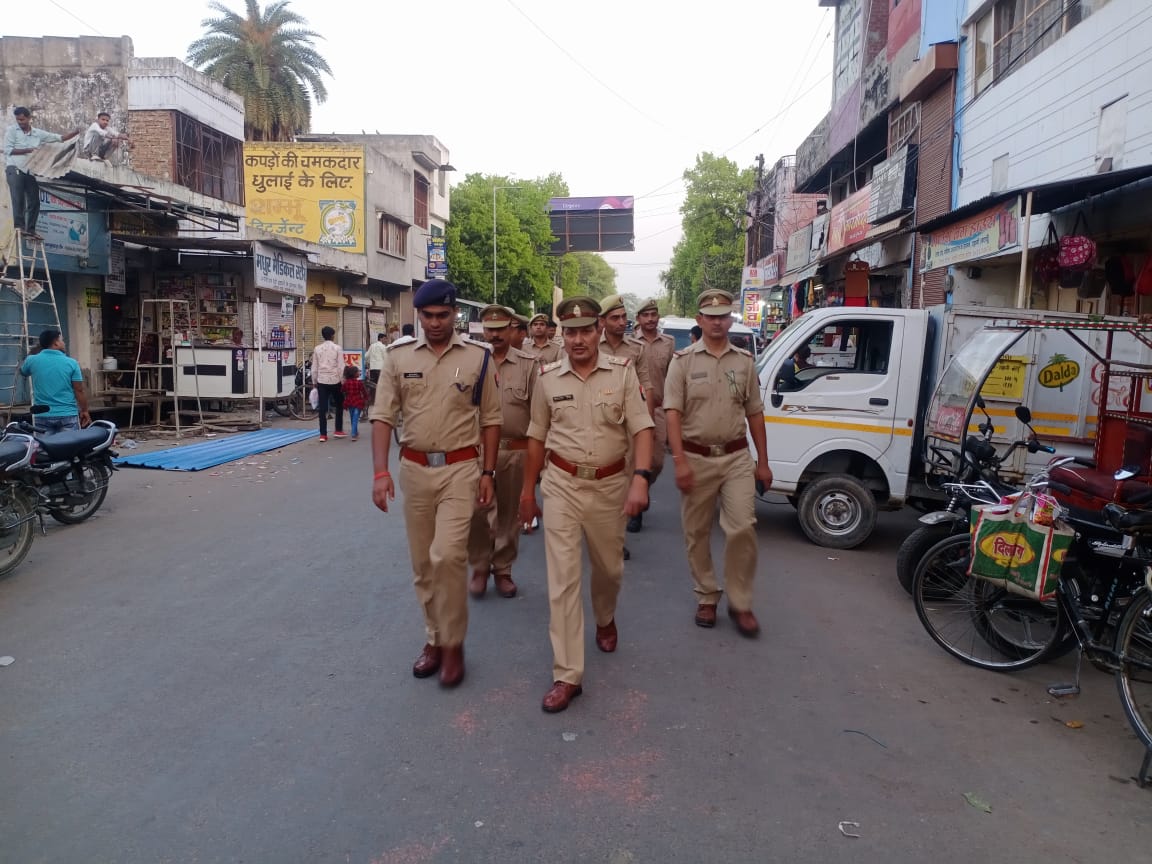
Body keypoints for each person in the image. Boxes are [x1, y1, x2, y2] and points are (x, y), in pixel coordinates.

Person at [518, 296, 654, 713]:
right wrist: (528, 492)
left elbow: (643, 428)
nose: (577, 339)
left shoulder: (623, 373)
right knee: (562, 581)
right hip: (560, 484)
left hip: (611, 486)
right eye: (570, 332)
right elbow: (536, 436)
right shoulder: (548, 378)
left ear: (598, 332)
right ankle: (567, 674)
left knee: (609, 569)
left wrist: (640, 480)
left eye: (585, 330)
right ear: (563, 335)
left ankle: (606, 615)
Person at [370, 278, 501, 688]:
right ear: (419, 316)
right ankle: (435, 640)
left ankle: (455, 643)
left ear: (455, 314)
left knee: (447, 556)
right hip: (414, 469)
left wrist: (488, 473)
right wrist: (380, 472)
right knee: (424, 564)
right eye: (428, 315)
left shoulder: (479, 358)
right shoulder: (398, 357)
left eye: (443, 315)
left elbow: (492, 420)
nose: (436, 323)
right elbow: (383, 417)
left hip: (461, 469)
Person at [664, 289, 773, 638]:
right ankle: (707, 595)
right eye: (710, 316)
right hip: (695, 458)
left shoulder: (744, 361)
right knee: (696, 532)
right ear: (699, 320)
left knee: (742, 527)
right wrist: (679, 461)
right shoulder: (682, 362)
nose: (716, 321)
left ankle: (740, 602)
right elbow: (672, 414)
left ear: (730, 319)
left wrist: (764, 463)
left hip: (736, 457)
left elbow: (755, 414)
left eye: (723, 315)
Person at [466, 305, 538, 599]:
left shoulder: (529, 364)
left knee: (509, 515)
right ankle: (480, 565)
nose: (494, 335)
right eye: (489, 329)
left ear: (511, 329)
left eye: (500, 329)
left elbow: (539, 414)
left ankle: (503, 569)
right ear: (483, 330)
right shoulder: (472, 361)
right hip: (476, 451)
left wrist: (539, 461)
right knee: (475, 512)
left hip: (514, 451)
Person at [628, 297, 675, 533]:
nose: (650, 319)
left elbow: (672, 378)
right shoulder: (629, 343)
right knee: (630, 459)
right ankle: (633, 511)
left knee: (655, 461)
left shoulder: (669, 343)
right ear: (638, 319)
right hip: (630, 408)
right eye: (645, 315)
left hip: (657, 409)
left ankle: (643, 486)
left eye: (653, 314)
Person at [5, 107, 80, 237]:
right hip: (14, 168)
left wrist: (76, 133)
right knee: (18, 198)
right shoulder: (12, 131)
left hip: (29, 170)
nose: (20, 122)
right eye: (18, 120)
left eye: (22, 119)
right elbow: (7, 150)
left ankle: (31, 229)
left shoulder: (38, 133)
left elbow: (59, 138)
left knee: (34, 200)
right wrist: (26, 150)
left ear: (29, 118)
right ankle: (19, 226)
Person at [19, 328, 90, 433]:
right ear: (56, 343)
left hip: (42, 415)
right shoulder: (72, 363)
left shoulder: (32, 360)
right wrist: (84, 410)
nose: (64, 343)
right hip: (67, 414)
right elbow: (79, 390)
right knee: (69, 448)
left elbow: (22, 371)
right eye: (61, 340)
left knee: (45, 448)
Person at [310, 326, 345, 441]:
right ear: (332, 336)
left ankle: (323, 434)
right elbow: (341, 366)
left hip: (322, 380)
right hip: (335, 380)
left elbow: (314, 367)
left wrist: (314, 381)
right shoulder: (337, 348)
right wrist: (342, 380)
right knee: (339, 404)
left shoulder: (317, 349)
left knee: (322, 408)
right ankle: (338, 430)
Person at [341, 364, 367, 440]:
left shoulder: (346, 383)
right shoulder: (359, 383)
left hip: (349, 402)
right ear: (355, 374)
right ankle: (353, 434)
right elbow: (364, 392)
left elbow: (342, 390)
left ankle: (355, 432)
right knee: (355, 417)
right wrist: (366, 398)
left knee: (352, 417)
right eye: (358, 372)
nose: (359, 373)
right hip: (358, 402)